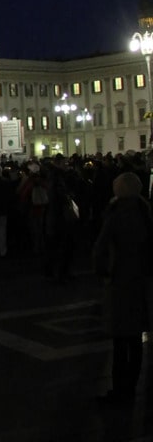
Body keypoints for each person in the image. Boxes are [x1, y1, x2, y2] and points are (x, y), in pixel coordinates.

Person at [92, 172, 153, 406]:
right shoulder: (144, 210)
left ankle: (119, 390)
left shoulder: (117, 213)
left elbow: (101, 247)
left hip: (120, 280)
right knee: (135, 338)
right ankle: (132, 386)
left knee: (120, 340)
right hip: (140, 280)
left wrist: (102, 271)